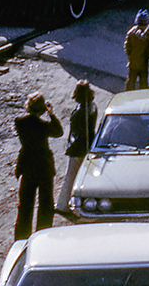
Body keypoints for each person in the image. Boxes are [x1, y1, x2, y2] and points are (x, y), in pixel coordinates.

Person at [13, 92, 62, 240]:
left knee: (25, 204)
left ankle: (21, 236)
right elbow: (59, 132)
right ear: (42, 109)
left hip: (27, 164)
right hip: (43, 165)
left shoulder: (19, 123)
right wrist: (51, 114)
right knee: (46, 203)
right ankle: (43, 234)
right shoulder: (44, 126)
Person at [55, 80, 97, 213]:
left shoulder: (80, 112)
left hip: (77, 148)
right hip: (89, 146)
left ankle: (63, 205)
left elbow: (75, 131)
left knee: (71, 176)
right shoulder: (93, 107)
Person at [124, 10, 149, 91]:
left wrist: (130, 55)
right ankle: (143, 96)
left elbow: (127, 46)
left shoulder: (131, 32)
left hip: (133, 62)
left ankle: (128, 95)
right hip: (144, 63)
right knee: (143, 81)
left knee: (131, 80)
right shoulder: (148, 33)